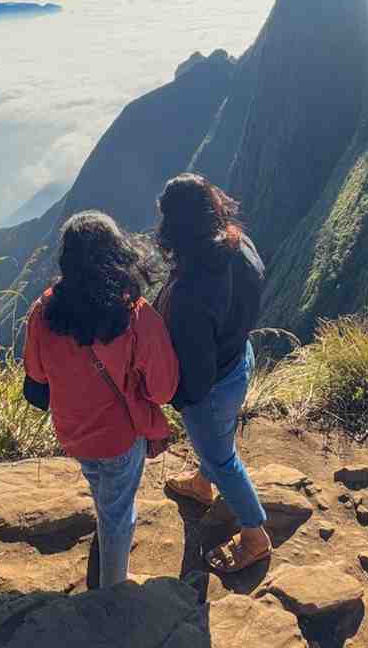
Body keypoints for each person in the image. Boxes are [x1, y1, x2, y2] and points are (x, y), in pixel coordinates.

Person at [22, 211, 179, 587]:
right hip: (120, 437)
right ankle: (113, 589)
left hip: (73, 430)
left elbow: (37, 373)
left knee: (101, 489)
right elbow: (163, 389)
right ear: (116, 252)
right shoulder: (134, 314)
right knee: (118, 514)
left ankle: (106, 537)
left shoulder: (44, 311)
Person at [155, 173, 272, 575]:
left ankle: (255, 535)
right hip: (240, 356)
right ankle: (202, 486)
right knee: (215, 444)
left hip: (214, 384)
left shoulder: (190, 291)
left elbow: (196, 373)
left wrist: (179, 400)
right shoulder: (240, 244)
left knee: (222, 457)